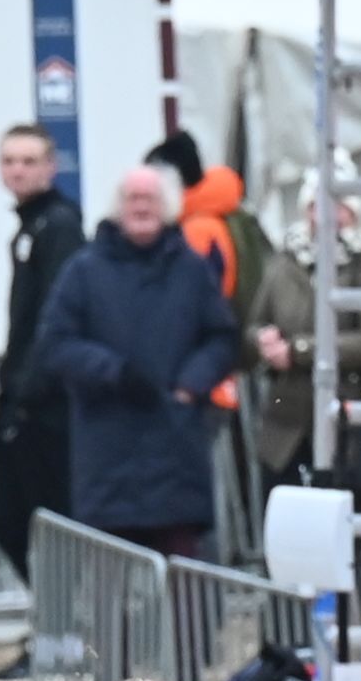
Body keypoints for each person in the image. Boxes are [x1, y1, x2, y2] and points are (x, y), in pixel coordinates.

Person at [35, 159, 241, 574]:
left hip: (176, 449)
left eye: (150, 198)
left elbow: (222, 338)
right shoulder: (84, 271)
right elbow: (55, 343)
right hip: (107, 453)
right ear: (118, 207)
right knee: (110, 583)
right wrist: (113, 372)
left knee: (184, 583)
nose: (141, 207)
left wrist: (191, 384)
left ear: (167, 207)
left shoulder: (191, 269)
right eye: (133, 198)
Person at [0, 121, 75, 627]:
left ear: (50, 167)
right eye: (9, 161)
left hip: (43, 407)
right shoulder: (28, 228)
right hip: (20, 396)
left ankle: (62, 629)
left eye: (28, 161)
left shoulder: (58, 226)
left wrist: (27, 394)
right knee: (11, 525)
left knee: (40, 527)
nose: (17, 171)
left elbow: (54, 319)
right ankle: (53, 626)